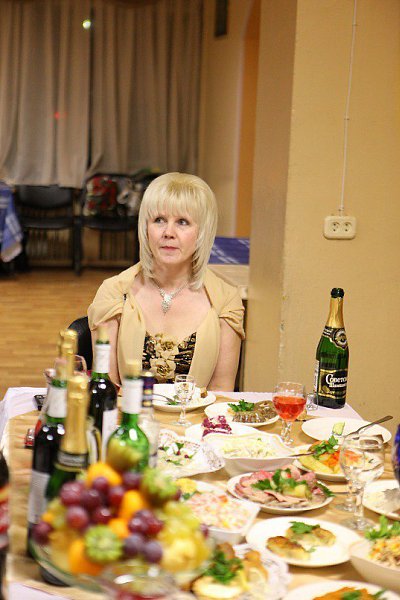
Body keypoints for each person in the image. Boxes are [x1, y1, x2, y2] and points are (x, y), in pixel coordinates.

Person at [87, 172, 245, 390]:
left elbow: (221, 392)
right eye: (159, 220)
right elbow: (107, 388)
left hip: (200, 414)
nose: (168, 232)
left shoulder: (226, 300)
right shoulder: (113, 293)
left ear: (202, 232)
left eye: (182, 222)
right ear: (145, 227)